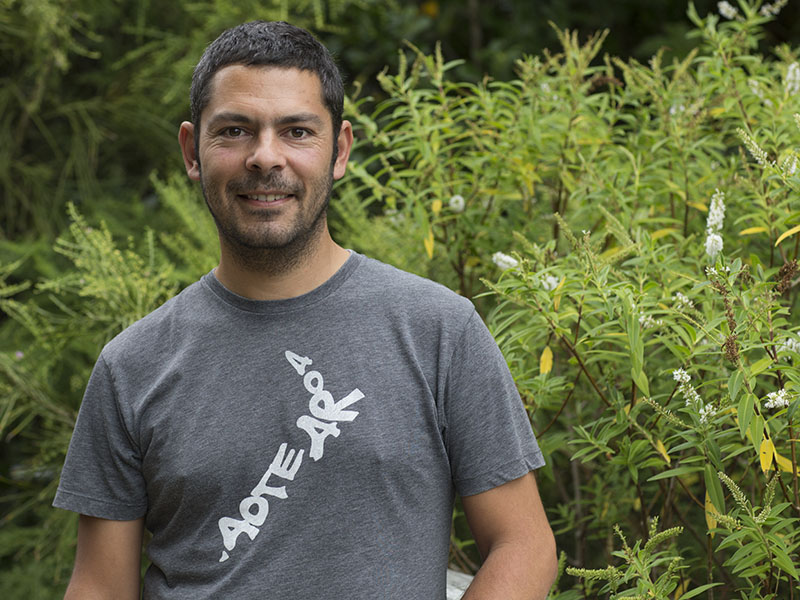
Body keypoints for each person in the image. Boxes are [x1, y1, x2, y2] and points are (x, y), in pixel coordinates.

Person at [53, 20, 557, 599]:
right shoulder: (131, 367)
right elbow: (99, 585)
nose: (265, 158)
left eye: (295, 131)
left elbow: (524, 544)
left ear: (339, 150)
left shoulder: (439, 330)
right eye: (236, 131)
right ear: (193, 151)